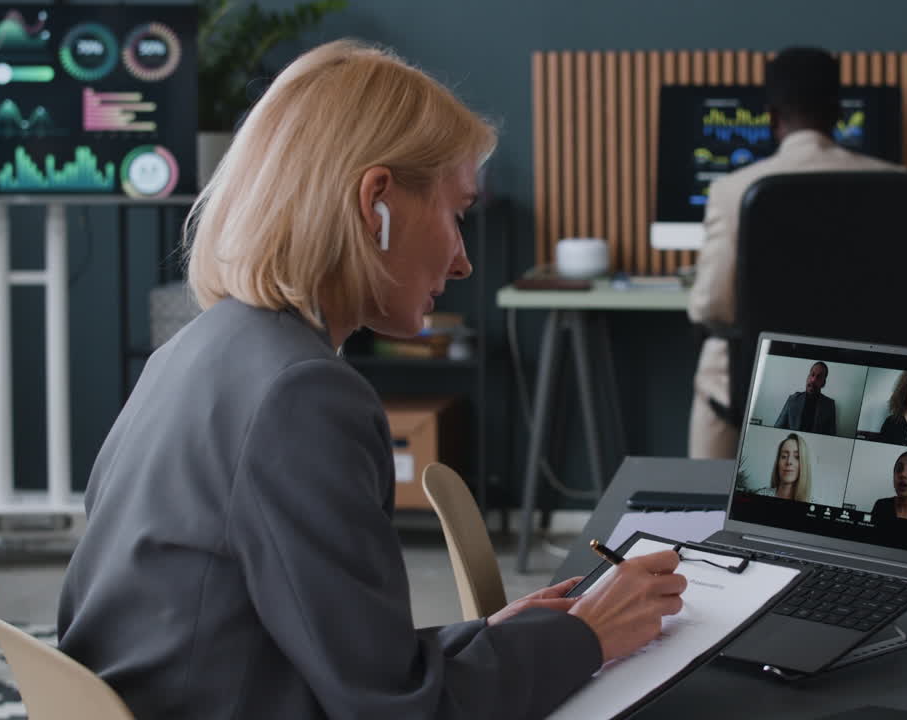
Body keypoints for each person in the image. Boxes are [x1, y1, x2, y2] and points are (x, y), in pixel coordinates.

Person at [56, 40, 687, 720]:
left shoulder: (194, 350)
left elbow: (330, 652)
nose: (463, 261)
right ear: (375, 203)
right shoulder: (301, 396)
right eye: (456, 214)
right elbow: (399, 711)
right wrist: (585, 637)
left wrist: (502, 640)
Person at [687, 47, 905, 459]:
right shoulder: (900, 186)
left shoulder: (731, 190)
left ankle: (710, 502)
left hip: (750, 388)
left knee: (717, 356)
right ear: (838, 113)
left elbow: (711, 307)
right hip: (866, 382)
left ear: (771, 117)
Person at [773, 361, 837, 435]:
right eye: (812, 375)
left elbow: (831, 436)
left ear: (823, 383)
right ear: (807, 377)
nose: (813, 380)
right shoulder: (793, 399)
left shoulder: (829, 405)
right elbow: (777, 428)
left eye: (818, 377)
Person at [755, 434, 812, 502]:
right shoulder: (761, 495)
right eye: (784, 456)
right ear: (778, 463)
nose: (789, 462)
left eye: (797, 457)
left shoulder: (812, 504)